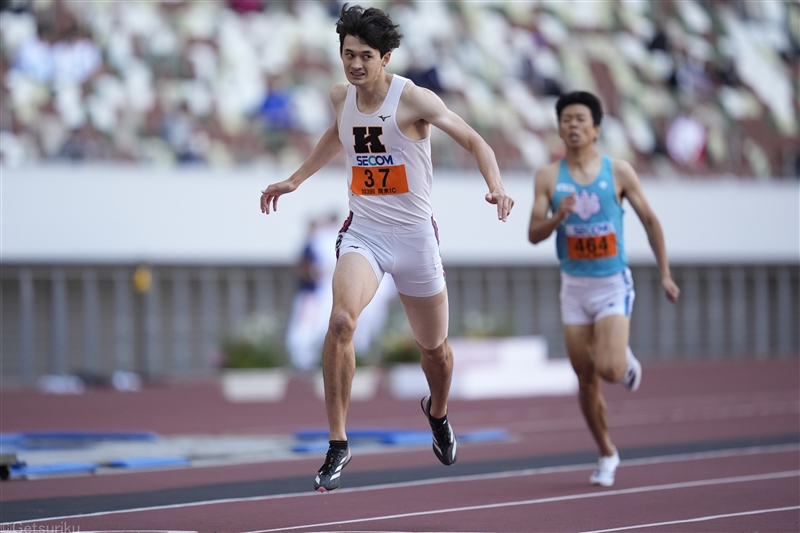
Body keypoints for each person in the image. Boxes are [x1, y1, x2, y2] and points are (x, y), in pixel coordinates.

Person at [260, 4, 514, 492]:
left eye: (365, 57)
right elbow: (337, 136)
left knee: (435, 353)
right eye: (348, 54)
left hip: (416, 240)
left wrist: (497, 187)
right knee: (340, 322)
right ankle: (337, 443)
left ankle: (437, 412)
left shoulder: (413, 99)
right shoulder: (341, 96)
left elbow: (478, 142)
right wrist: (295, 179)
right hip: (366, 234)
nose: (355, 65)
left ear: (386, 57)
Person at [528, 91, 680, 487]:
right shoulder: (548, 177)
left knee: (610, 369)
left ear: (596, 129)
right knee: (585, 379)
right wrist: (557, 217)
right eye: (566, 119)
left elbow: (651, 221)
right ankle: (606, 452)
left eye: (581, 119)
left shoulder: (619, 172)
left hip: (612, 283)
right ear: (559, 127)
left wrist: (664, 273)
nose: (573, 125)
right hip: (574, 288)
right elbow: (532, 234)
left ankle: (626, 362)